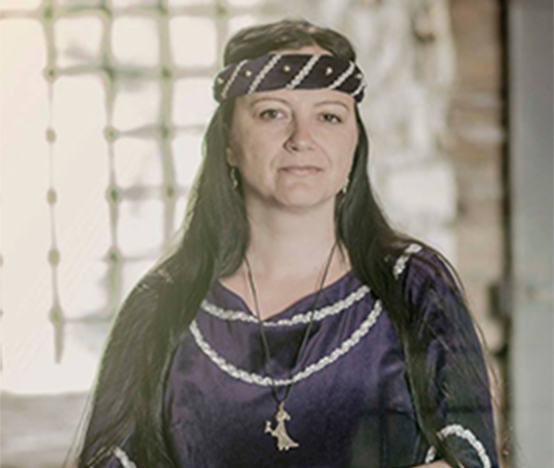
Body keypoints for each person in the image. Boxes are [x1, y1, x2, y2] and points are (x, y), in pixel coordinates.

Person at [74, 18, 500, 468]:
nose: (302, 139)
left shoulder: (413, 287)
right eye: (272, 113)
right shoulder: (162, 304)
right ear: (228, 143)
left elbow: (470, 459)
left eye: (329, 116)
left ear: (354, 143)